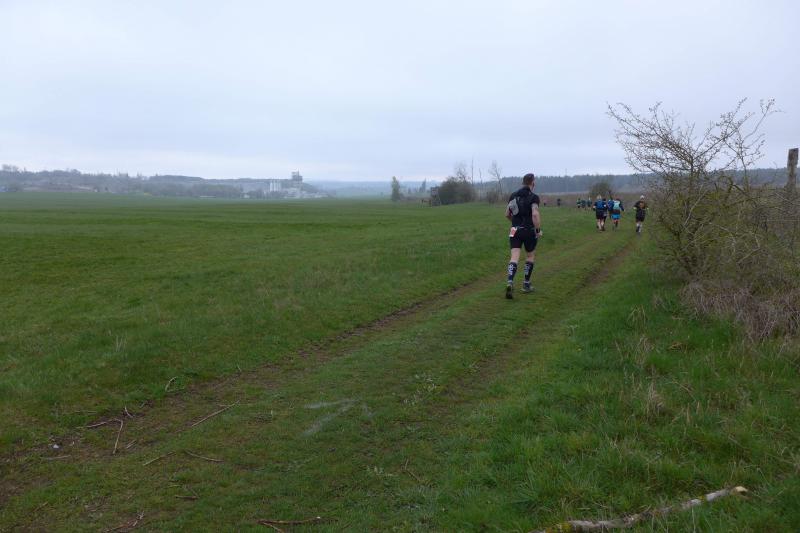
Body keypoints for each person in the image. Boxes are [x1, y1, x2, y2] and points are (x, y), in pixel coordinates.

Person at [504, 173, 541, 299]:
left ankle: (510, 282)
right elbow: (535, 214)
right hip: (528, 230)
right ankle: (526, 284)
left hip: (514, 230)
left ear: (522, 182)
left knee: (514, 256)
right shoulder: (534, 197)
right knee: (530, 256)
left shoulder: (513, 196)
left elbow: (507, 214)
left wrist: (515, 224)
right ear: (533, 183)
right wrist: (538, 230)